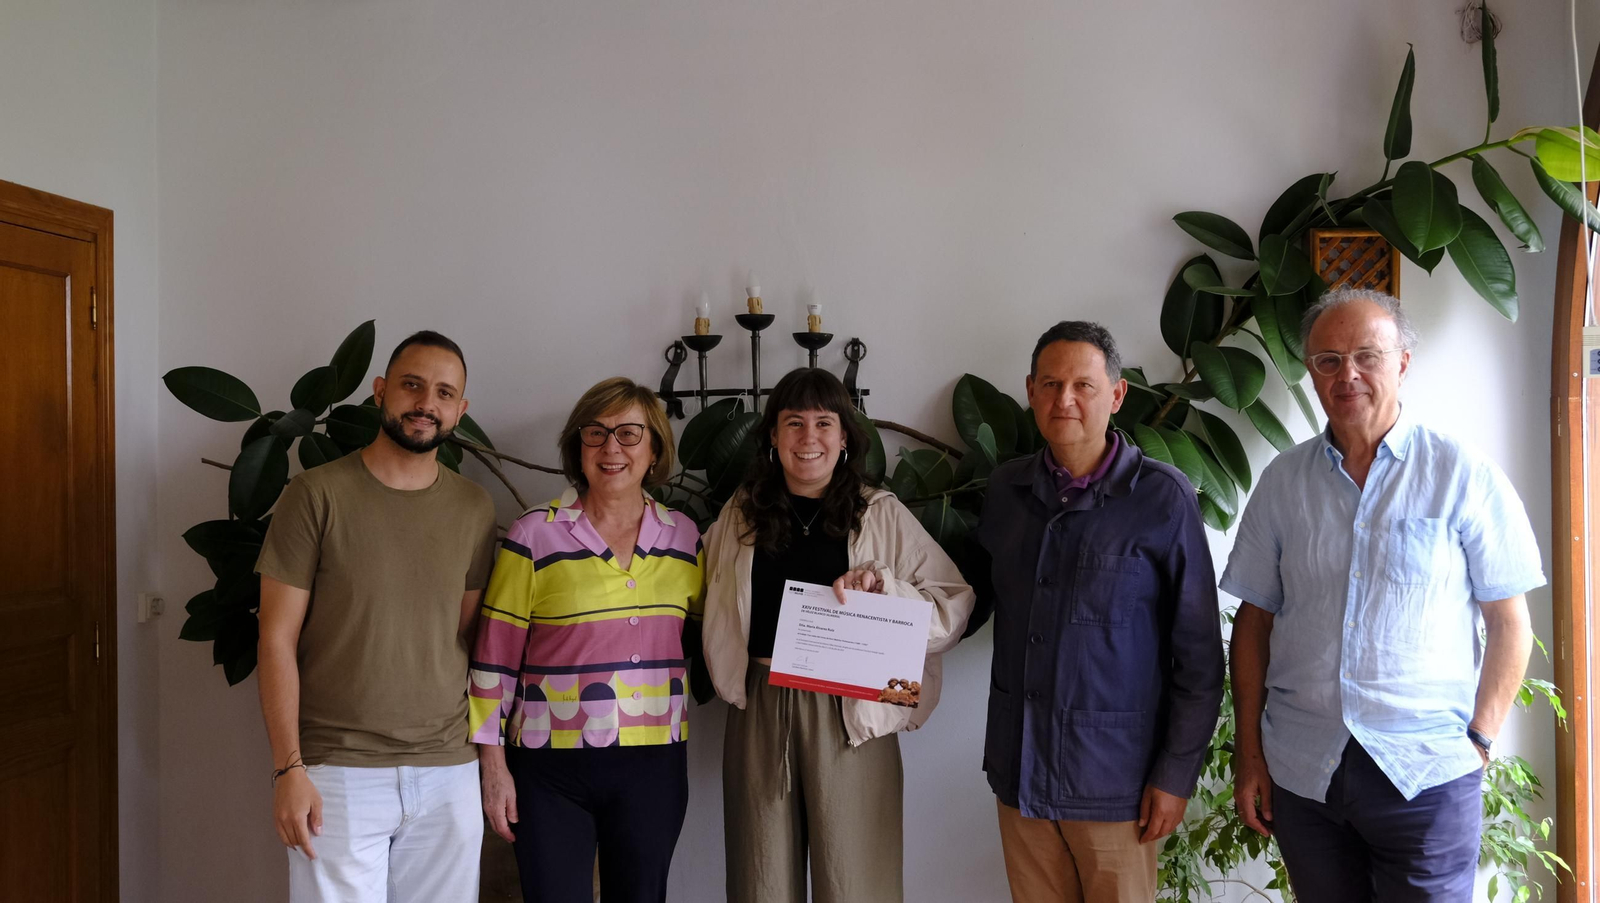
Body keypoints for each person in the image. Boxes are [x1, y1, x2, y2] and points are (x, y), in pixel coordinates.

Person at [1222, 288, 1543, 902]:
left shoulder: (1462, 474)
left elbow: (1509, 622)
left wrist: (1478, 739)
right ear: (1310, 372)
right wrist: (1251, 755)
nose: (1349, 375)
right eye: (1328, 360)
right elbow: (1254, 622)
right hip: (1303, 769)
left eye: (1367, 355)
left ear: (1402, 363)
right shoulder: (1282, 482)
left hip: (1427, 772)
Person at [966, 320, 1224, 903]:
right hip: (1020, 775)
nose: (1065, 400)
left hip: (1119, 789)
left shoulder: (1163, 497)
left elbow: (1201, 659)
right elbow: (965, 598)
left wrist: (1175, 775)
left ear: (1117, 393)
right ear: (1030, 391)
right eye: (1051, 384)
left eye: (1083, 385)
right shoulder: (1006, 491)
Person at [700, 367, 976, 903]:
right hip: (760, 701)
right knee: (761, 881)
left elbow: (954, 604)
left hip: (856, 709)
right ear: (773, 437)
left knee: (856, 881)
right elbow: (697, 588)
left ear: (844, 436)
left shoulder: (880, 512)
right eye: (794, 423)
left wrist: (887, 591)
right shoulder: (740, 513)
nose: (809, 438)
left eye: (824, 423)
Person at [256, 330, 498, 903]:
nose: (426, 403)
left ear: (459, 411)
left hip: (447, 770)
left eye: (444, 393)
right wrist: (288, 769)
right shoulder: (315, 495)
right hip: (337, 771)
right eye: (412, 385)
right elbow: (275, 639)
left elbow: (460, 629)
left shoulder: (474, 507)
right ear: (381, 391)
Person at [469, 377, 703, 903]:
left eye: (628, 433)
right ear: (578, 448)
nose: (611, 448)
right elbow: (494, 659)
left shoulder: (687, 539)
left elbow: (722, 628)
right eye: (595, 434)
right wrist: (493, 767)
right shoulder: (534, 534)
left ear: (655, 448)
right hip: (549, 770)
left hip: (654, 766)